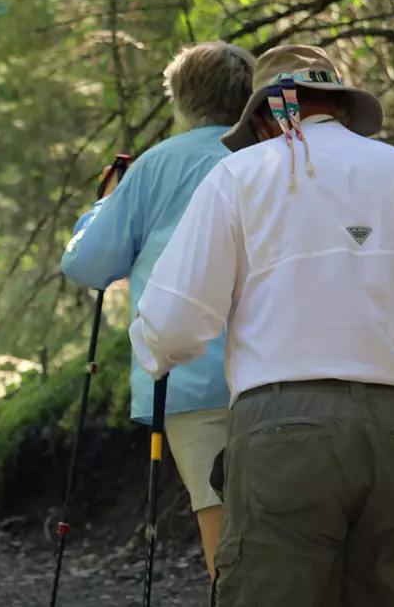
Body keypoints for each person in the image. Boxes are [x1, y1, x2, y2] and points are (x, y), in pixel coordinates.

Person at [128, 44, 394, 607]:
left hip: (285, 431)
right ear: (345, 109)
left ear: (262, 117)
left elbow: (174, 326)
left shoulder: (239, 176)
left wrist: (153, 352)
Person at [60, 41, 256, 579]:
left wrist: (106, 200)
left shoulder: (155, 166)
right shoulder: (270, 153)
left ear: (180, 99)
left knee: (221, 527)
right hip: (280, 370)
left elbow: (87, 265)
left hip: (188, 380)